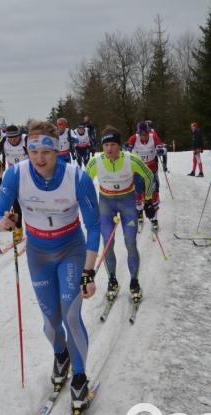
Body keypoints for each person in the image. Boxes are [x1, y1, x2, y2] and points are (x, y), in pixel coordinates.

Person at [0, 120, 100, 415]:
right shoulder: (16, 174)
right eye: (34, 151)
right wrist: (3, 222)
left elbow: (93, 226)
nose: (40, 158)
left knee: (71, 313)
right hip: (38, 253)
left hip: (71, 251)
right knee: (51, 321)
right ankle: (60, 354)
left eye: (47, 153)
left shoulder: (77, 177)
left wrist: (89, 272)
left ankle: (79, 376)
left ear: (59, 150)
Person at [85, 126, 155, 303]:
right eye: (106, 145)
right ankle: (112, 281)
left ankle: (134, 282)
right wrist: (89, 207)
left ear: (120, 146)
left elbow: (149, 176)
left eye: (113, 144)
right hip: (106, 203)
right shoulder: (96, 161)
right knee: (108, 244)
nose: (109, 149)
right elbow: (83, 184)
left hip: (127, 202)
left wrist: (148, 200)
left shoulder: (131, 159)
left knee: (130, 243)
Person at [126, 121, 165, 231]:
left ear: (149, 132)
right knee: (138, 192)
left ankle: (154, 218)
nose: (143, 136)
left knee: (153, 193)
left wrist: (161, 150)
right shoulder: (134, 138)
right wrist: (127, 150)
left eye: (145, 134)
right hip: (138, 170)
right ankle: (139, 212)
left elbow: (163, 148)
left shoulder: (154, 136)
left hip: (152, 169)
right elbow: (126, 148)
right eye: (141, 134)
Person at [0, 125, 28, 242]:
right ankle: (18, 230)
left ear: (19, 134)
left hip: (28, 174)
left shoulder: (27, 139)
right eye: (10, 137)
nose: (13, 139)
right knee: (15, 203)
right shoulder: (4, 140)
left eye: (15, 136)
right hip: (13, 174)